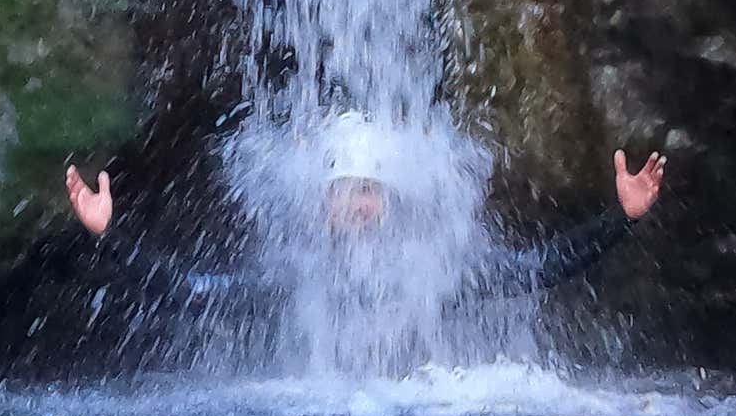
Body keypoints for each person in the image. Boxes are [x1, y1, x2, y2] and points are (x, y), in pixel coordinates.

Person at [64, 115, 666, 292]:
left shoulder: (432, 279)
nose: (358, 205)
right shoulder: (300, 281)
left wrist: (622, 219)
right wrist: (107, 236)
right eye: (345, 192)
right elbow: (194, 292)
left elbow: (538, 270)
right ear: (322, 207)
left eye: (370, 190)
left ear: (390, 202)